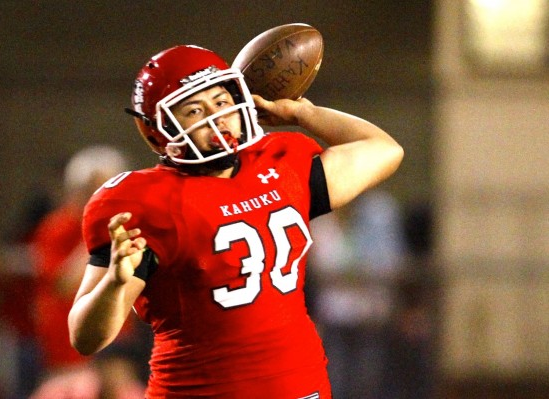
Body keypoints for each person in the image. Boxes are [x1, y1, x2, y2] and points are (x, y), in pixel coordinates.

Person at [68, 45, 404, 398]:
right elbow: (86, 337)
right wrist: (115, 285)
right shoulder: (146, 202)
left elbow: (383, 149)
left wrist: (305, 113)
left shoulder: (279, 165)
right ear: (160, 129)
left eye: (220, 101)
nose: (216, 117)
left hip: (302, 387)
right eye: (194, 109)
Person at [30, 145, 145, 398]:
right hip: (69, 350)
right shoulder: (56, 228)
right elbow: (63, 283)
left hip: (115, 340)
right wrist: (98, 233)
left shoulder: (129, 227)